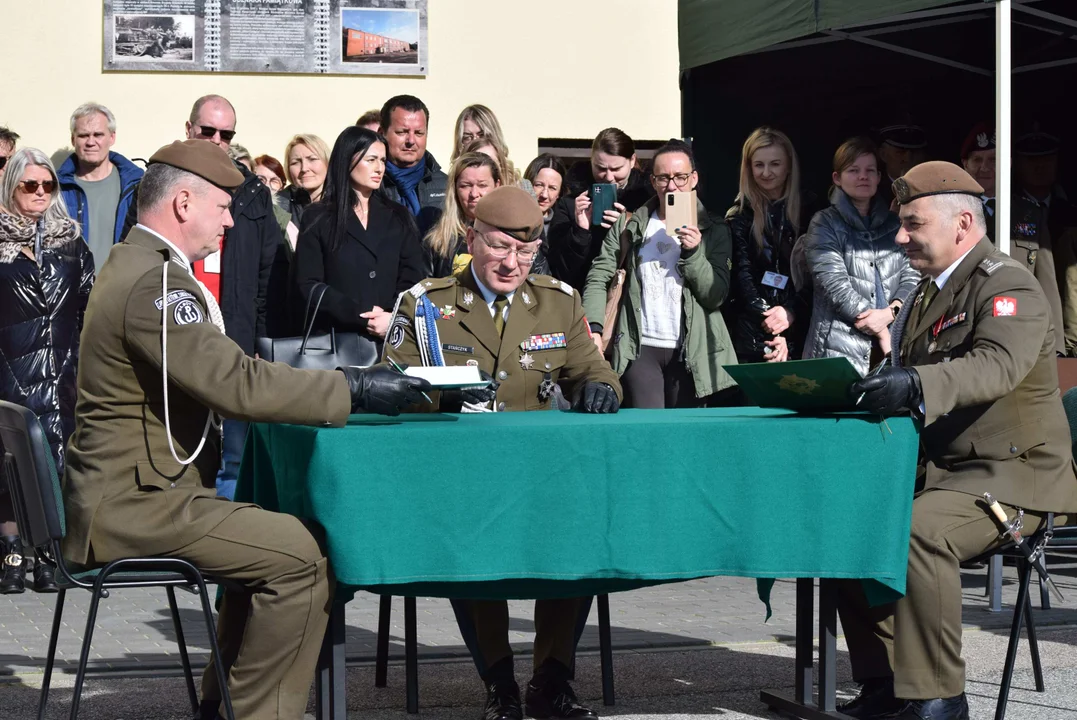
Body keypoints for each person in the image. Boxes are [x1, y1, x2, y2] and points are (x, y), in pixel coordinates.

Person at [63, 139, 429, 720]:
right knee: (305, 558)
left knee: (274, 535)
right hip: (137, 505)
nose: (232, 220)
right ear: (184, 204)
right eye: (223, 207)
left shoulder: (135, 264)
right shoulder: (154, 285)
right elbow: (236, 385)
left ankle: (221, 701)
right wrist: (352, 387)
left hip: (135, 494)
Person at [842, 161, 1077, 720]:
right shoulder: (929, 291)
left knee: (920, 534)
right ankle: (884, 684)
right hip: (948, 473)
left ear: (962, 222)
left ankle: (938, 698)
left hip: (1015, 476)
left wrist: (915, 382)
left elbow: (996, 365)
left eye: (913, 224)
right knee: (848, 523)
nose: (900, 237)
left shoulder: (1008, 282)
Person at [385, 186, 620, 720]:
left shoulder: (556, 302)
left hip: (541, 474)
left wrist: (600, 389)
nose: (513, 264)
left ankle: (552, 679)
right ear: (471, 240)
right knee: (472, 551)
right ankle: (499, 683)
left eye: (526, 252)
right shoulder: (427, 303)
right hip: (461, 475)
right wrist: (442, 393)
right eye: (499, 249)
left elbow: (594, 370)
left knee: (578, 541)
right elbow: (392, 386)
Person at [583, 140, 739, 408]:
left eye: (680, 177)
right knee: (648, 433)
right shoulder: (629, 223)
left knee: (685, 436)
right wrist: (594, 328)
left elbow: (715, 295)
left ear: (694, 179)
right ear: (653, 181)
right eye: (664, 178)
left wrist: (692, 253)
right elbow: (599, 275)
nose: (672, 185)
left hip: (690, 351)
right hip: (640, 347)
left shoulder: (714, 229)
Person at [0, 147, 93, 595]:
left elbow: (90, 303)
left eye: (48, 185)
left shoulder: (69, 240)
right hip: (8, 368)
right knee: (9, 465)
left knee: (58, 460)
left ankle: (49, 555)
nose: (40, 193)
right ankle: (11, 552)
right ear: (11, 186)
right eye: (29, 185)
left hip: (63, 370)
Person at [293, 127, 424, 345]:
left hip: (390, 339)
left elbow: (413, 277)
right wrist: (361, 314)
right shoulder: (318, 217)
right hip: (335, 341)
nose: (379, 168)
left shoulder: (398, 216)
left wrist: (392, 317)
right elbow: (308, 284)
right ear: (347, 160)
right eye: (371, 159)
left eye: (382, 160)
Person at [803, 137, 918, 376]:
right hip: (838, 349)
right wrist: (882, 331)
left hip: (892, 347)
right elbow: (835, 287)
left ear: (878, 177)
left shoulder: (893, 222)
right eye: (853, 170)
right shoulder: (823, 222)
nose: (863, 177)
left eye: (869, 171)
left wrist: (891, 313)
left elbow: (913, 275)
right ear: (837, 178)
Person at [724, 127, 813, 363]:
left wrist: (791, 313)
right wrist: (773, 321)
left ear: (789, 166)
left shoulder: (811, 211)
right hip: (753, 334)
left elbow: (817, 276)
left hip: (802, 331)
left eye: (775, 164)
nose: (766, 173)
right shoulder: (739, 215)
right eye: (758, 165)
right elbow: (742, 275)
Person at [546, 128, 654, 289]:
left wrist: (628, 227)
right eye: (601, 168)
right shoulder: (570, 202)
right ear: (591, 160)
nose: (609, 177)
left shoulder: (648, 200)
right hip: (582, 298)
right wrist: (580, 231)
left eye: (616, 169)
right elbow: (559, 271)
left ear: (632, 161)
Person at [57, 102, 143, 273]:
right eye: (83, 135)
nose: (91, 142)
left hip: (121, 285)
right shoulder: (57, 189)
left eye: (98, 134)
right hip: (72, 290)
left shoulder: (136, 184)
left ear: (112, 137)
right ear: (73, 139)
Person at [1009, 126, 1067, 355]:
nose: (1039, 166)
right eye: (1031, 159)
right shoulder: (1008, 212)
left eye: (1046, 159)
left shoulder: (1070, 212)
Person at [377, 94, 448, 237]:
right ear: (382, 133)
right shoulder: (370, 184)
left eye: (419, 133)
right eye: (402, 132)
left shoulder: (447, 185)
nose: (411, 140)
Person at [423, 152, 502, 278]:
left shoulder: (516, 235)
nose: (474, 193)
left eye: (482, 185)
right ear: (455, 188)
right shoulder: (438, 242)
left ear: (497, 186)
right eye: (466, 186)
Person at [279, 133, 330, 226]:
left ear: (327, 162)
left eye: (312, 159)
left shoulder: (347, 201)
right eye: (295, 162)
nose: (304, 168)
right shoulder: (277, 207)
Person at [253, 153, 300, 254]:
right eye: (260, 179)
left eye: (274, 181)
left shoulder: (287, 223)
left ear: (282, 187)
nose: (266, 186)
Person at [875, 123, 927, 209]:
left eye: (915, 152)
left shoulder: (935, 188)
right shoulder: (872, 192)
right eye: (900, 152)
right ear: (883, 155)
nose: (908, 159)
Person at [959, 123, 996, 234]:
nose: (984, 168)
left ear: (1008, 163)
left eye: (993, 160)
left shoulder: (1029, 212)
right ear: (965, 165)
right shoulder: (950, 209)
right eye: (977, 160)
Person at [524, 153, 568, 239]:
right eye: (539, 185)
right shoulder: (515, 220)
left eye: (552, 188)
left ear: (559, 193)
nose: (544, 195)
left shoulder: (565, 225)